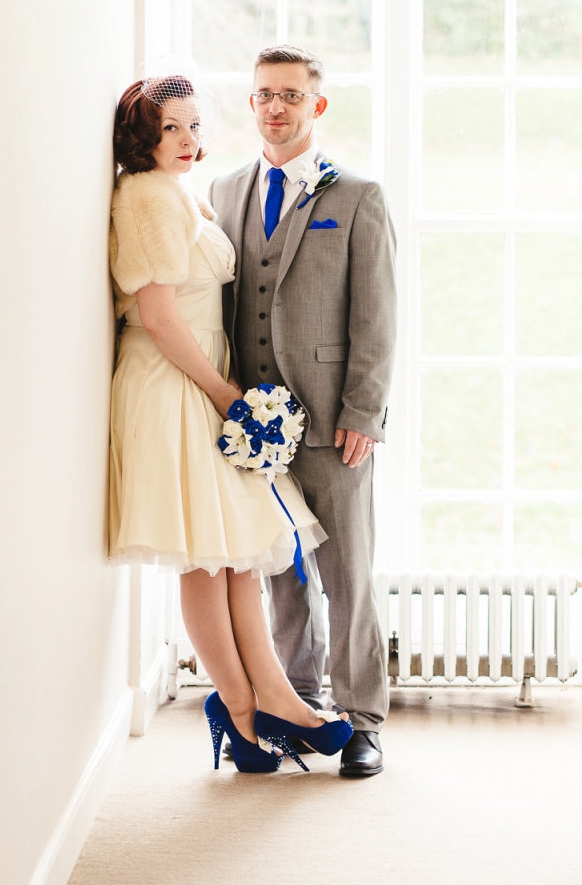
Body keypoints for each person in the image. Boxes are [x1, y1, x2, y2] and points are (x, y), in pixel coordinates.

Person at [108, 74, 353, 773]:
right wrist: (224, 393)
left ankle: (271, 702)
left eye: (192, 126)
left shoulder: (178, 189)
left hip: (202, 377)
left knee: (237, 554)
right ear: (142, 139)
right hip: (175, 382)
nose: (188, 140)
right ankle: (244, 710)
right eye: (170, 130)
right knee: (206, 556)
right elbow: (155, 316)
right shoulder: (148, 196)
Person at [208, 46, 397, 778]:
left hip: (332, 422)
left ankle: (363, 720)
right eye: (262, 95)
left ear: (316, 107)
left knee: (347, 576)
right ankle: (300, 706)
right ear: (251, 105)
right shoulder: (224, 191)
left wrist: (365, 411)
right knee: (278, 573)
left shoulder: (356, 195)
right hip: (250, 427)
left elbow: (375, 318)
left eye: (289, 95)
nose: (274, 107)